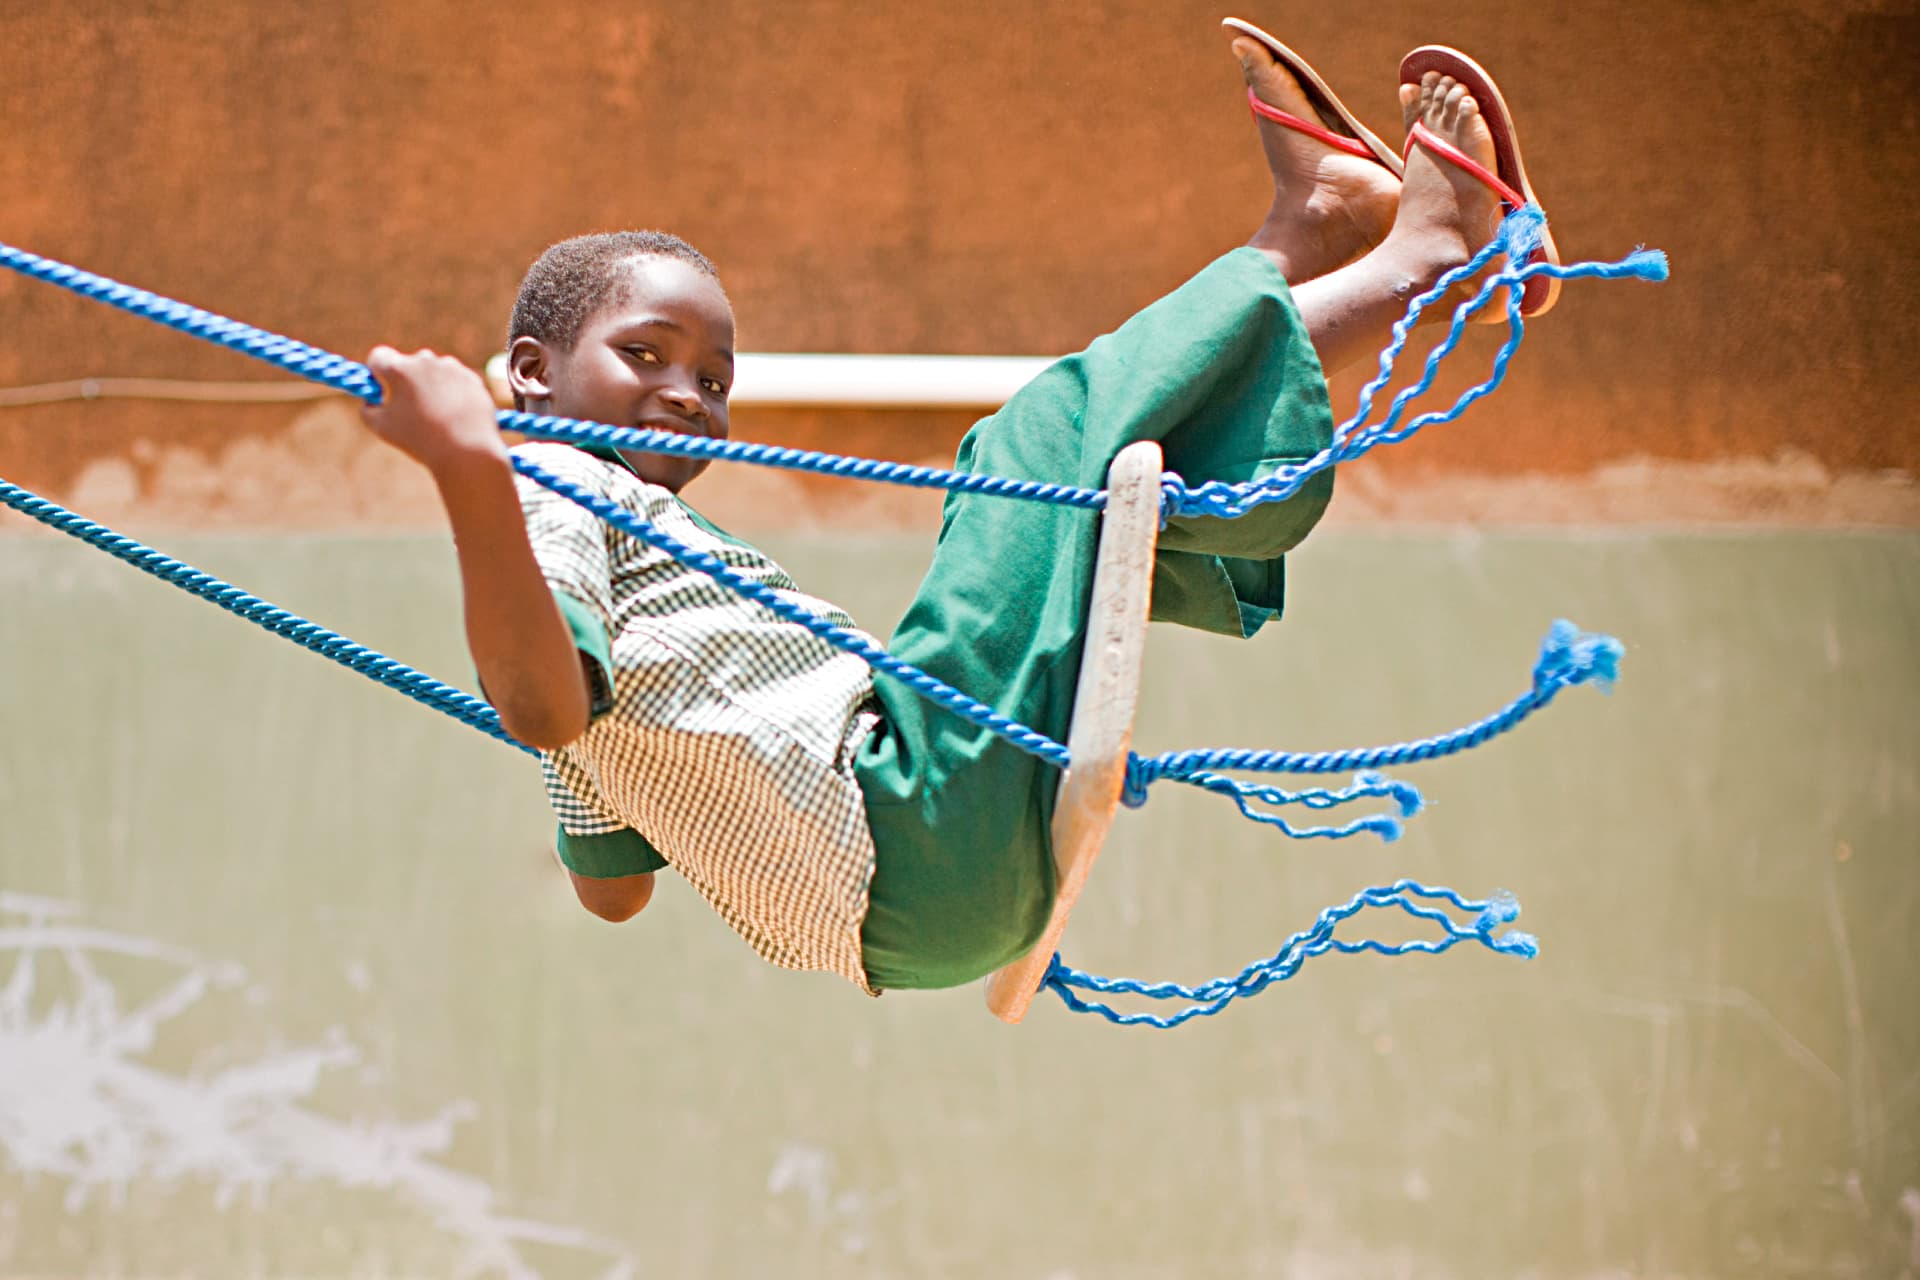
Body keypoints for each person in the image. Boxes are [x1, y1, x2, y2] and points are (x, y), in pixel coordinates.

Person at [357, 25, 1543, 996]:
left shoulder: (589, 613)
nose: (687, 393)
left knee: (1077, 480)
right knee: (1034, 436)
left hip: (921, 913)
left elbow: (611, 886)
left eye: (713, 379)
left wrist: (624, 756)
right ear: (527, 373)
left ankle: (1312, 233)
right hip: (906, 818)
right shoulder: (547, 482)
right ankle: (1425, 259)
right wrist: (468, 467)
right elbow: (535, 701)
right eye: (646, 353)